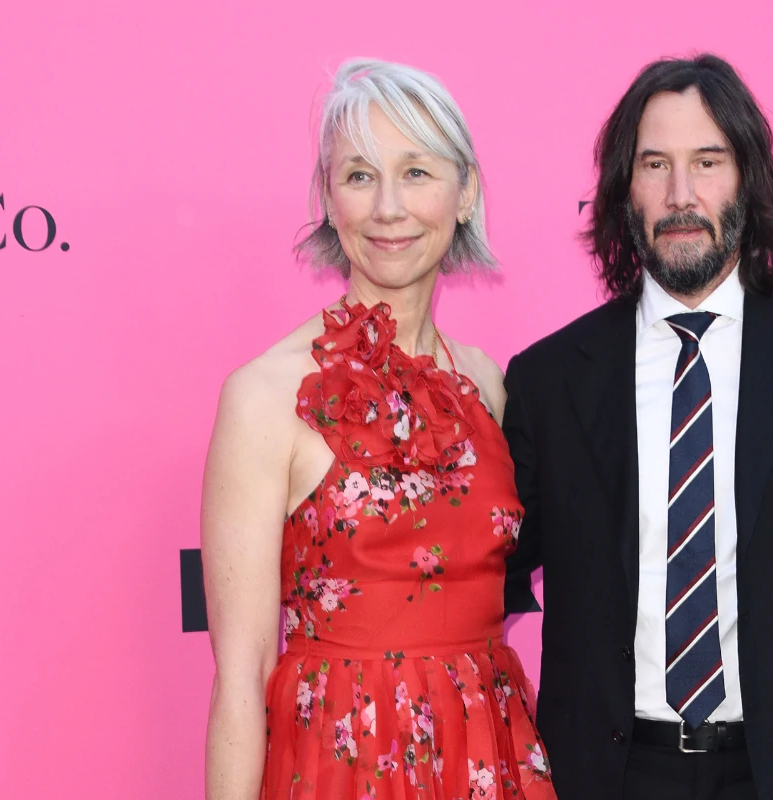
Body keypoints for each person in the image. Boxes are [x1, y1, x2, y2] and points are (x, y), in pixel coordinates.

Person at [502, 54, 773, 799]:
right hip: (608, 773)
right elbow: (487, 577)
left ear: (748, 178)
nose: (681, 194)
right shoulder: (546, 380)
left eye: (708, 161)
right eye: (654, 164)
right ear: (621, 189)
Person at [200, 58, 554, 800]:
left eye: (417, 172)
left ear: (466, 194)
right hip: (341, 766)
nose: (388, 207)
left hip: (486, 751)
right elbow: (241, 677)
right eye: (359, 176)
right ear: (329, 201)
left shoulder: (489, 382)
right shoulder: (265, 395)